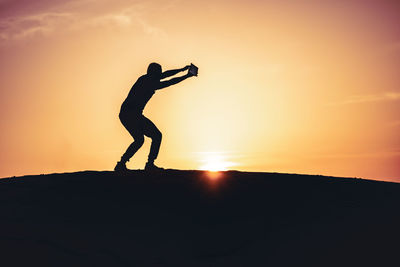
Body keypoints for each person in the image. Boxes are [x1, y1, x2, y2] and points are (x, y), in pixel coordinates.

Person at [115, 62, 195, 171]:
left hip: (131, 114)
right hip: (130, 114)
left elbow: (166, 74)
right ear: (154, 73)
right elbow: (169, 82)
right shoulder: (148, 82)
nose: (160, 74)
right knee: (151, 137)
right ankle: (146, 164)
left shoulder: (148, 78)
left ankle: (124, 163)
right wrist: (186, 76)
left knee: (142, 139)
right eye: (159, 72)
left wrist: (182, 69)